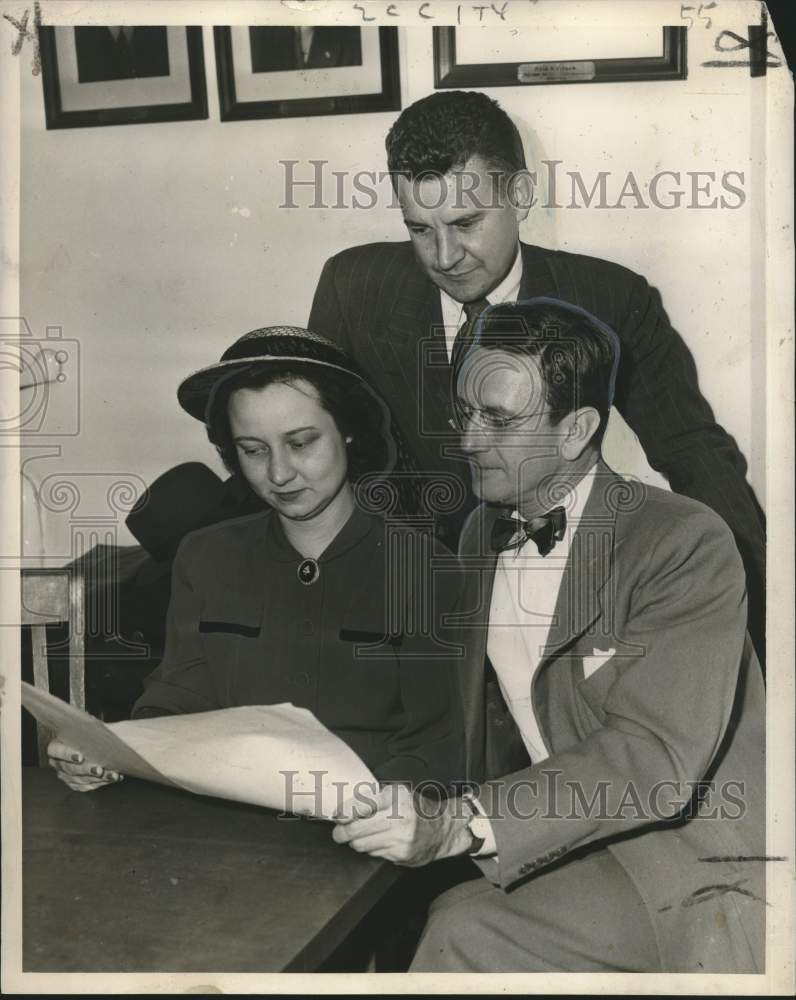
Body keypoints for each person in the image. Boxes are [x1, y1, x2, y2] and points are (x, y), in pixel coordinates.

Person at [331, 300, 765, 973]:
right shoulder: (482, 530)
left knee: (462, 930)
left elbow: (652, 760)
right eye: (465, 414)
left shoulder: (681, 540)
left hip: (690, 865)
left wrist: (462, 823)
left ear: (577, 430)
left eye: (500, 420)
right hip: (556, 841)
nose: (469, 441)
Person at [308, 89, 766, 662]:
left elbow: (692, 447)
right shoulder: (353, 288)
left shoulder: (610, 297)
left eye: (466, 222)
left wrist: (752, 599)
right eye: (420, 229)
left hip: (559, 589)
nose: (444, 255)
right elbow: (311, 439)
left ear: (521, 196)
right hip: (402, 594)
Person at [48, 327, 464, 793]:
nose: (279, 473)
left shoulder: (426, 568)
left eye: (302, 442)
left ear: (348, 431)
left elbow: (439, 746)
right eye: (253, 450)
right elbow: (178, 698)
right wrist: (114, 751)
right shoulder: (207, 555)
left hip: (375, 830)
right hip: (227, 826)